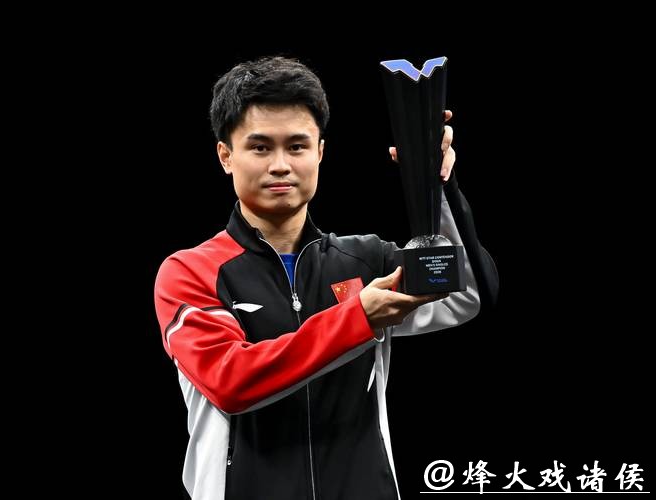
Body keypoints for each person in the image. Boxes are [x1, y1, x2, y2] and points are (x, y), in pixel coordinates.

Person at [154, 56, 498, 500]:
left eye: (297, 146)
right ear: (226, 156)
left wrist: (437, 184)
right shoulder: (189, 271)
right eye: (260, 147)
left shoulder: (363, 261)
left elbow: (466, 294)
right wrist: (359, 319)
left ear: (319, 151)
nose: (281, 165)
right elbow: (231, 380)